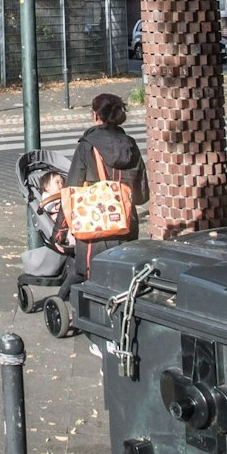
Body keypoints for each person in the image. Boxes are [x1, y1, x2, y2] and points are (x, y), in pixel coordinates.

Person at [65, 92, 149, 357]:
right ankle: (123, 331)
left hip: (95, 226)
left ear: (95, 114)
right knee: (121, 277)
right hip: (126, 224)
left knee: (90, 276)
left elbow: (72, 189)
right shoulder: (131, 145)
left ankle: (100, 338)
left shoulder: (87, 146)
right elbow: (143, 194)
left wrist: (60, 229)